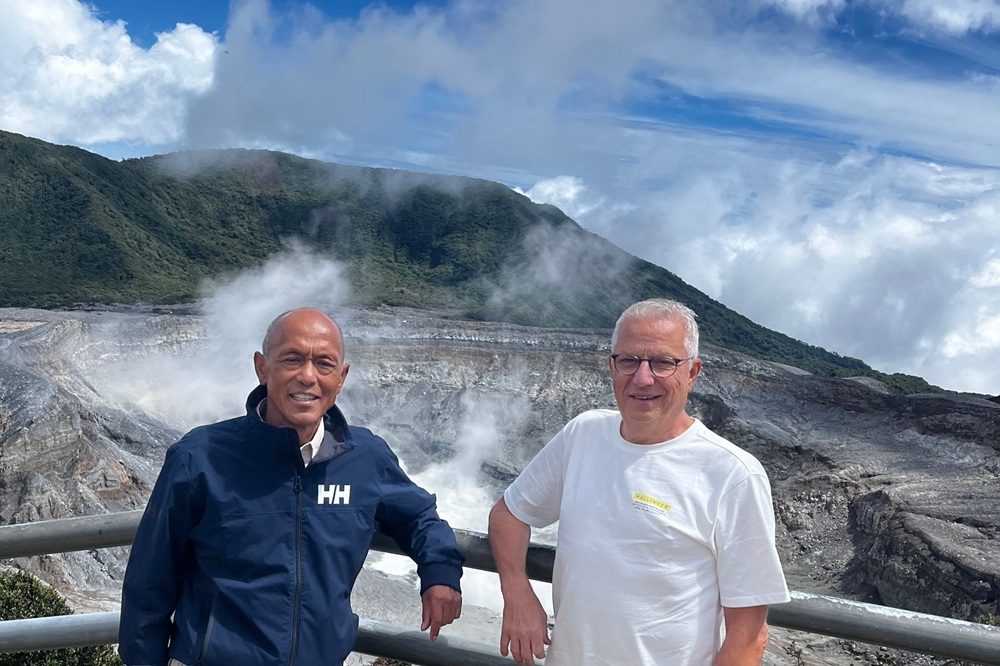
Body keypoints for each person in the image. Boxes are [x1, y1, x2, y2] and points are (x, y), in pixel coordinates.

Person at [119, 308, 463, 666]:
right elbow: (149, 583)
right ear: (262, 368)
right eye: (292, 360)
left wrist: (440, 573)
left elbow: (419, 516)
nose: (308, 376)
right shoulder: (199, 458)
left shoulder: (366, 459)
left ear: (341, 377)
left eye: (324, 364)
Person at [489, 298, 789, 665]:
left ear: (692, 373)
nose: (643, 377)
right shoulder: (583, 434)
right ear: (612, 366)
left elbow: (749, 635)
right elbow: (510, 513)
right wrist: (517, 590)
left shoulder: (733, 475)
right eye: (629, 360)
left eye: (663, 362)